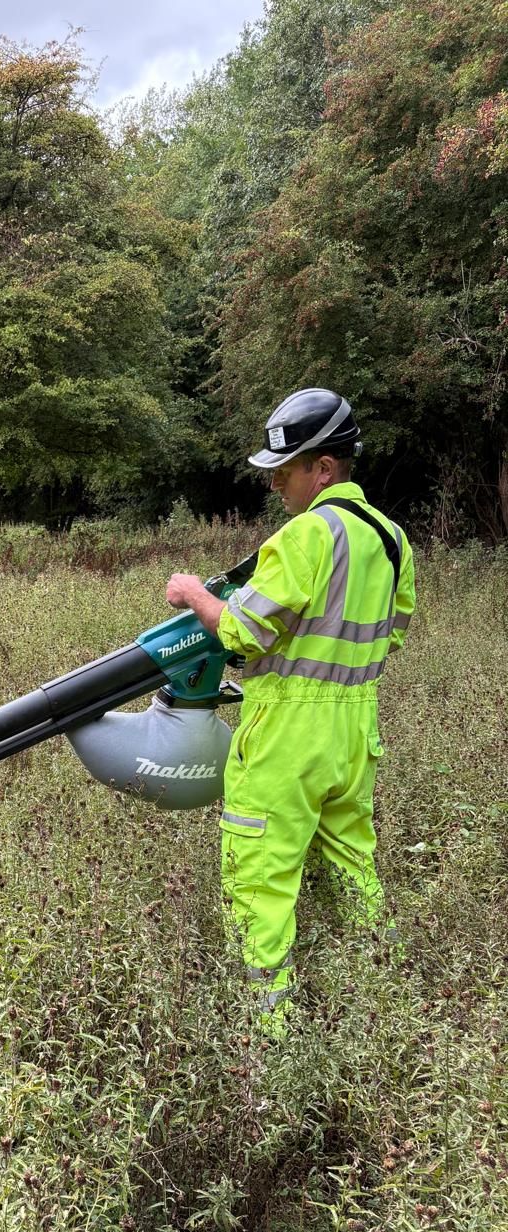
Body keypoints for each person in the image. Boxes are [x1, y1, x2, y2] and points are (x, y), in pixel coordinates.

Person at [165, 388, 416, 1027]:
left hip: (286, 738)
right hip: (354, 733)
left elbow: (241, 631)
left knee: (260, 878)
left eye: (285, 469)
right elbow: (393, 631)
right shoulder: (392, 541)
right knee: (353, 867)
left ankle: (266, 1033)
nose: (276, 483)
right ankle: (383, 1003)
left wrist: (194, 594)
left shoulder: (304, 536)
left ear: (323, 469)